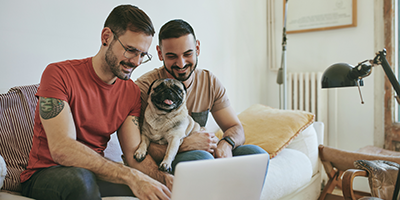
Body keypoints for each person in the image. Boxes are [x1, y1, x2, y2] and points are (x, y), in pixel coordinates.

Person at [20, 5, 172, 200]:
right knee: (80, 180)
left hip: (95, 173)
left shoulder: (131, 92)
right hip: (46, 173)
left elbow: (134, 154)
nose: (136, 62)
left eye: (143, 55)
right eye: (131, 50)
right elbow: (62, 148)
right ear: (106, 37)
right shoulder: (58, 74)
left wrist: (164, 180)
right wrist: (128, 175)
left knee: (151, 191)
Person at [135, 19, 269, 173]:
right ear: (160, 53)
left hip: (207, 151)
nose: (181, 63)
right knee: (201, 159)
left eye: (188, 54)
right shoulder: (146, 88)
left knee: (257, 156)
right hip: (175, 157)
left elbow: (235, 127)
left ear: (197, 48)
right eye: (172, 56)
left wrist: (225, 144)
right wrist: (185, 145)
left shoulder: (209, 82)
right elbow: (133, 146)